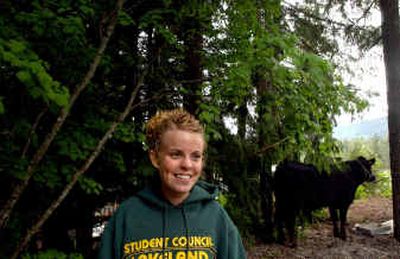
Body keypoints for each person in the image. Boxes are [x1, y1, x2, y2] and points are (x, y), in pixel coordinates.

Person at [98, 108, 246, 259]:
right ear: (155, 158)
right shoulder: (126, 217)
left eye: (195, 156)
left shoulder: (216, 218)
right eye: (176, 154)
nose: (187, 165)